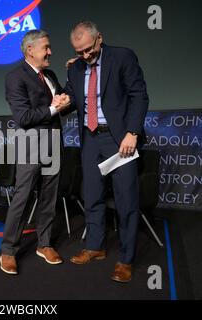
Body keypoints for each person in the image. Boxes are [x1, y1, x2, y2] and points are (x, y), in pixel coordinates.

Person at [64, 21, 149, 282]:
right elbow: (73, 98)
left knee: (125, 200)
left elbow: (139, 95)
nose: (85, 56)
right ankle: (95, 246)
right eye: (79, 52)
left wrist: (132, 133)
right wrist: (62, 99)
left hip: (119, 138)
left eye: (88, 49)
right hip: (90, 139)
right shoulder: (76, 68)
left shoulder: (122, 56)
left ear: (99, 38)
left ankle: (126, 259)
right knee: (92, 196)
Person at [0, 30, 71, 275]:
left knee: (49, 198)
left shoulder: (49, 75)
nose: (50, 51)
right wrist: (53, 108)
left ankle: (45, 244)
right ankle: (8, 250)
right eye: (46, 48)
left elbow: (64, 105)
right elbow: (23, 117)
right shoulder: (15, 77)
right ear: (30, 50)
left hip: (53, 143)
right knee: (23, 197)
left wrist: (66, 97)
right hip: (31, 145)